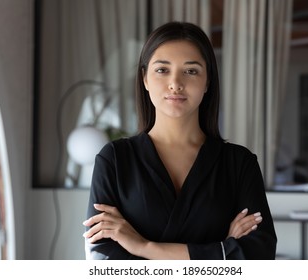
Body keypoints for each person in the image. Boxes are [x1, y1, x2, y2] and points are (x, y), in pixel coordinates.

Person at [82, 21, 277, 260]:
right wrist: (222, 250)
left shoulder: (239, 163)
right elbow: (102, 258)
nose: (175, 83)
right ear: (144, 78)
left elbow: (259, 255)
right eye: (162, 70)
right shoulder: (114, 158)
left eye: (191, 70)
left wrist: (144, 247)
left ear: (207, 82)